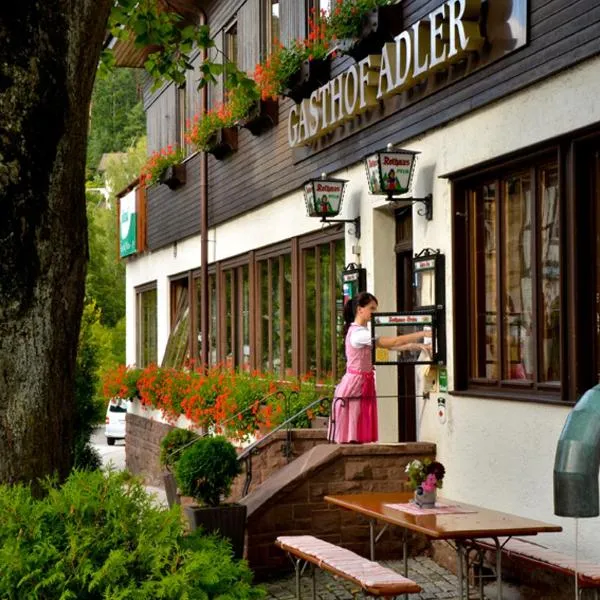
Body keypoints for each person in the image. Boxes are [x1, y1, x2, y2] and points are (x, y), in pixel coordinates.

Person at [328, 292, 428, 444]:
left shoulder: (361, 332)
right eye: (372, 308)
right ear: (360, 309)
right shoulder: (358, 334)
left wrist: (418, 345)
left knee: (358, 428)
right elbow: (393, 342)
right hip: (355, 385)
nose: (374, 312)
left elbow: (390, 347)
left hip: (362, 383)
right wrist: (423, 333)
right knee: (352, 431)